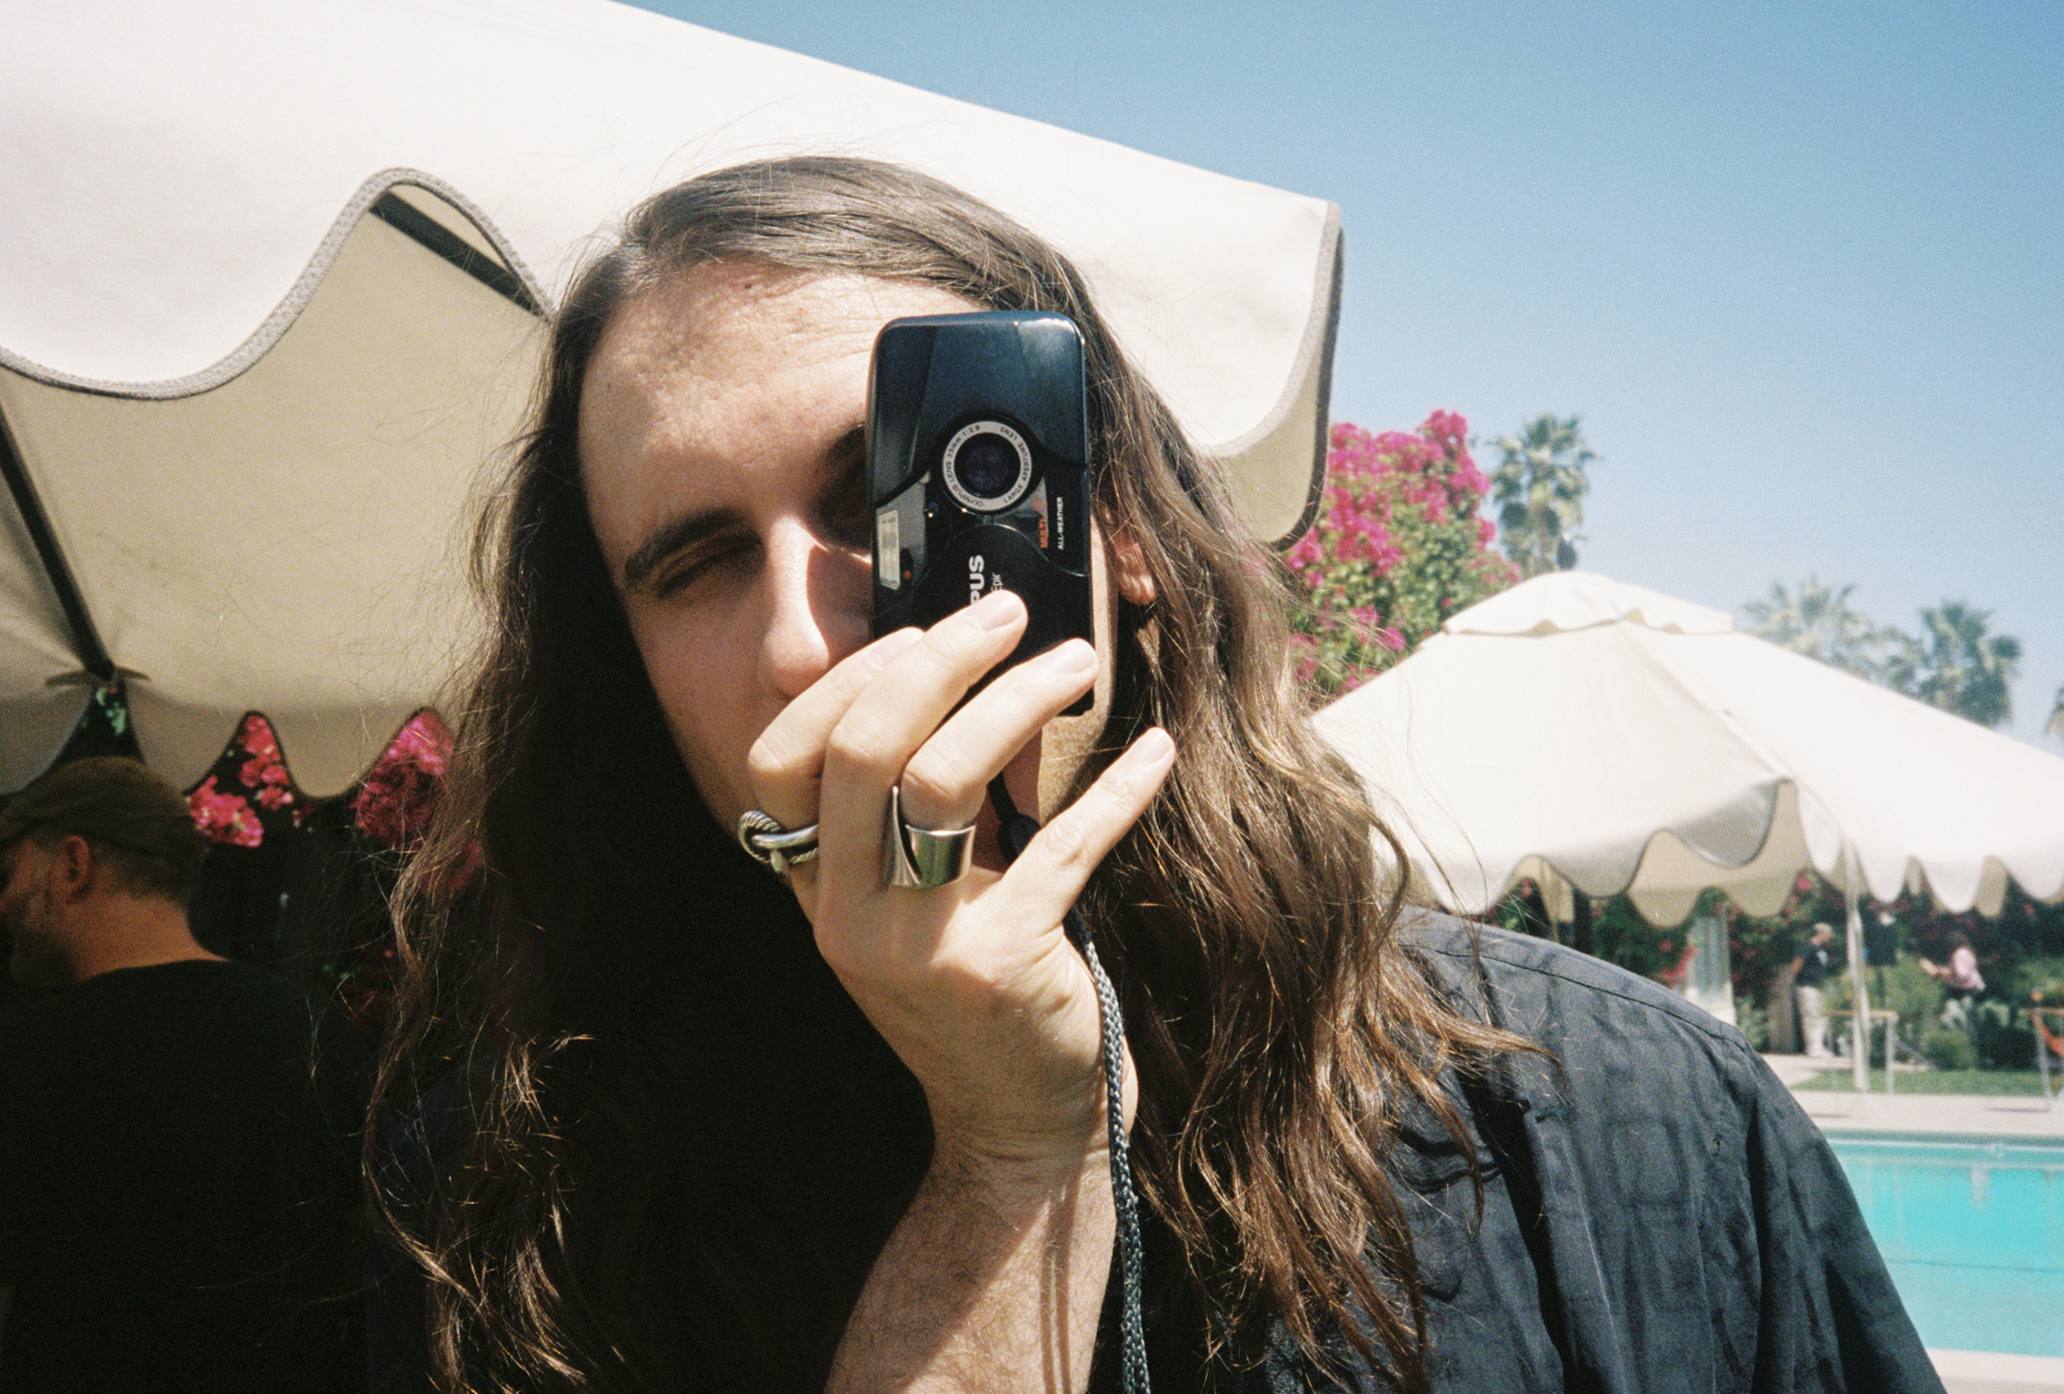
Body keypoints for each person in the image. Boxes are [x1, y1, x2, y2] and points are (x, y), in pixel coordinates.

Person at [368, 157, 1942, 1393]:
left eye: (886, 493)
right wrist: (1006, 1155)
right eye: (696, 562)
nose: (796, 635)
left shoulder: (1619, 1112)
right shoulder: (515, 1197)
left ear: (1114, 530)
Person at [0, 756, 365, 1393]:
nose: (2, 902)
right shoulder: (316, 1034)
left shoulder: (25, 1052)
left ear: (73, 865)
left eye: (8, 873)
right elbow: (355, 1265)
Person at [1793, 922, 1837, 1060]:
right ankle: (1813, 1049)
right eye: (1827, 935)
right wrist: (1795, 980)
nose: (1828, 938)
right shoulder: (1807, 947)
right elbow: (1797, 963)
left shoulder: (1821, 949)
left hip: (1819, 986)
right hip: (1807, 986)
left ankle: (1818, 1046)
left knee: (1821, 1017)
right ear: (1820, 933)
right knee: (1811, 1017)